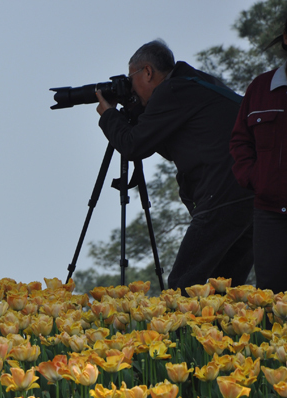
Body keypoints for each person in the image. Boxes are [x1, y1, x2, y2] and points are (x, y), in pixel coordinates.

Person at [95, 40, 254, 292]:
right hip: (250, 197)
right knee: (222, 288)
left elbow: (133, 146)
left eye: (131, 78)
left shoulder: (171, 91)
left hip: (220, 195)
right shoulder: (200, 83)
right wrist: (138, 113)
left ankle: (177, 332)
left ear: (147, 72)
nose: (131, 87)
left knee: (184, 286)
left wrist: (109, 116)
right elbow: (174, 144)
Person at [230, 19, 287, 294]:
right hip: (269, 214)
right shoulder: (261, 87)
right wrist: (255, 178)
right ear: (286, 38)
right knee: (272, 301)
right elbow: (240, 141)